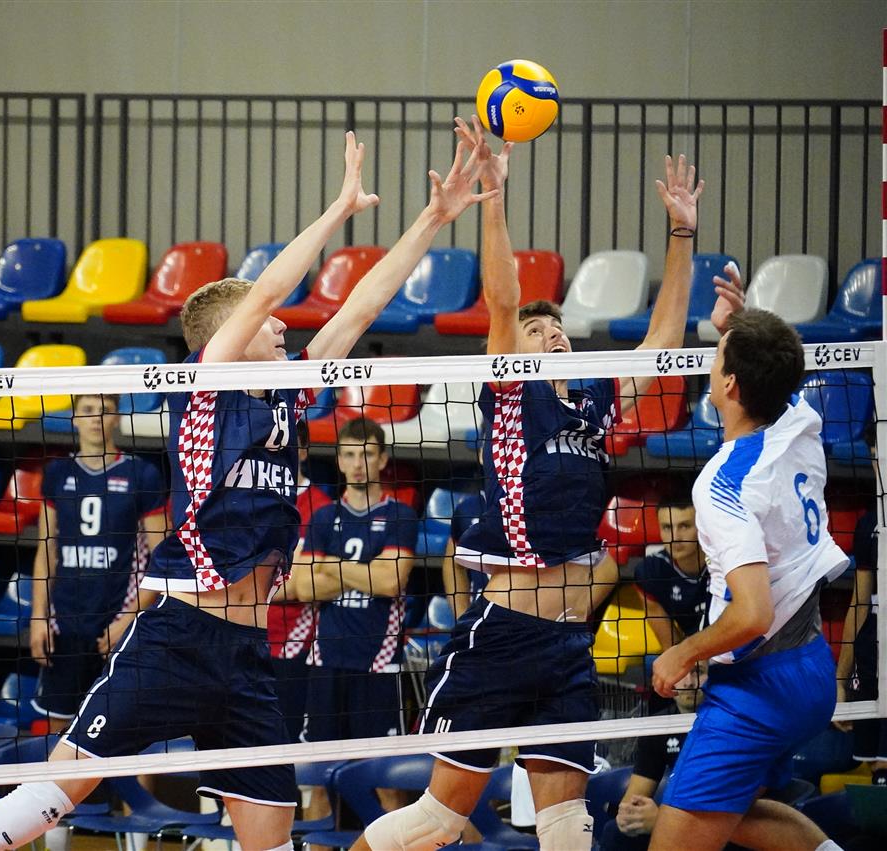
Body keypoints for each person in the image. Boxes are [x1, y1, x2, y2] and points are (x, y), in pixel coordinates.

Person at [0, 128, 498, 851]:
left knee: (272, 838)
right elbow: (266, 291)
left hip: (248, 657)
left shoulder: (287, 395)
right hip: (177, 639)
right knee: (48, 798)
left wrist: (433, 217)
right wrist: (338, 211)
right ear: (229, 334)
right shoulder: (206, 391)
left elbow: (360, 310)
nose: (283, 324)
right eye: (269, 323)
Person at [352, 116, 712, 851]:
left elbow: (663, 343)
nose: (553, 335)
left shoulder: (596, 401)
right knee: (438, 821)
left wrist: (681, 233)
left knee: (568, 825)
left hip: (569, 645)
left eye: (559, 330)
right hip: (504, 635)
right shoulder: (513, 394)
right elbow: (502, 300)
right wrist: (494, 197)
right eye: (538, 332)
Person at [647, 307, 848, 851]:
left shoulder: (722, 485)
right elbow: (774, 369)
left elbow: (753, 614)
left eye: (717, 357)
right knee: (732, 814)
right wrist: (739, 327)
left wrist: (682, 653)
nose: (710, 364)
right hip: (812, 667)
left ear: (731, 383)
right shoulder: (801, 421)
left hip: (757, 687)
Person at [28, 392, 167, 734]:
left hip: (119, 625)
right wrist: (38, 617)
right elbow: (46, 550)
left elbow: (163, 560)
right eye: (87, 410)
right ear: (74, 418)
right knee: (58, 730)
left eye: (105, 410)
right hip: (66, 625)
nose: (95, 417)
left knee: (124, 733)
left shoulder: (142, 474)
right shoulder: (57, 473)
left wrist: (129, 620)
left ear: (117, 418)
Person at [288, 416, 418, 743]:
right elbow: (305, 588)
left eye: (366, 454)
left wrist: (330, 564)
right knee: (318, 768)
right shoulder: (323, 516)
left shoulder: (400, 515)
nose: (358, 464)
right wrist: (367, 569)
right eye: (349, 454)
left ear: (382, 460)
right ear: (339, 461)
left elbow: (390, 582)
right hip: (325, 660)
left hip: (379, 663)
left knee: (382, 770)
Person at [267, 416, 332, 742]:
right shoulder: (253, 501)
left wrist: (249, 586)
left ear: (303, 450)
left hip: (295, 646)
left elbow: (302, 586)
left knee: (287, 744)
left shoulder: (322, 508)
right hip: (248, 640)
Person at [600, 662, 706, 851]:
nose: (689, 682)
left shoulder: (731, 724)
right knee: (615, 832)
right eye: (681, 672)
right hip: (677, 817)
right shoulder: (659, 727)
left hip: (722, 820)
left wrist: (663, 820)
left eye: (698, 671)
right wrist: (629, 815)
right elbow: (633, 799)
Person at [838, 507, 887, 784]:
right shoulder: (870, 523)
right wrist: (840, 682)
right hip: (874, 658)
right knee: (878, 767)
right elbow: (859, 605)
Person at [635, 498, 709, 654]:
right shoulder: (650, 572)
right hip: (694, 654)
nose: (675, 537)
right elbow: (671, 648)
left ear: (702, 526)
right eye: (667, 527)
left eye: (684, 526)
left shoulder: (726, 564)